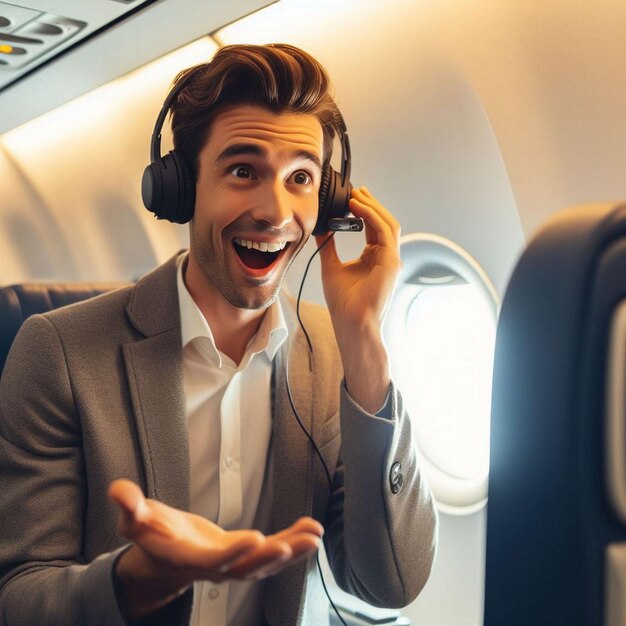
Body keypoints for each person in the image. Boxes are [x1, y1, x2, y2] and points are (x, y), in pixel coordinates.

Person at [0, 44, 437, 626]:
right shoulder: (59, 352)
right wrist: (132, 581)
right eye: (242, 171)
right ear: (179, 188)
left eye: (301, 178)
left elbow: (391, 583)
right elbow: (19, 597)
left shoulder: (335, 356)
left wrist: (363, 338)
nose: (275, 211)